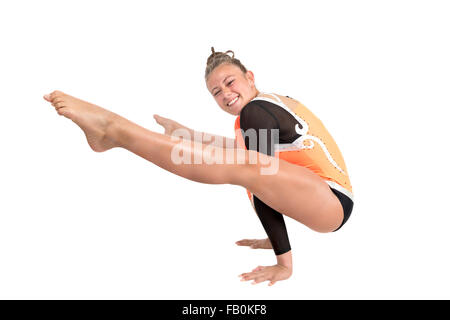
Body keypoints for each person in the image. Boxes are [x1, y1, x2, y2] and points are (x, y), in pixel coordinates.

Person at [43, 47, 353, 286]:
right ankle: (117, 133)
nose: (225, 94)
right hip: (324, 199)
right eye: (216, 92)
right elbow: (250, 160)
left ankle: (116, 131)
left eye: (229, 82)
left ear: (250, 78)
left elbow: (260, 180)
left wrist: (283, 262)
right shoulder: (264, 109)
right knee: (246, 165)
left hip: (330, 200)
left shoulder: (257, 112)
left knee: (250, 170)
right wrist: (186, 135)